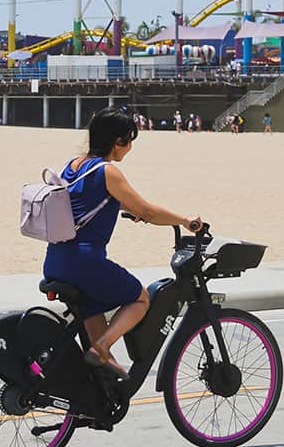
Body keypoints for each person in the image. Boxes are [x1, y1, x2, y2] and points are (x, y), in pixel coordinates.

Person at [42, 109, 200, 375]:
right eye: (129, 141)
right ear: (118, 142)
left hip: (56, 259)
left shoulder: (73, 165)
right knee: (140, 298)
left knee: (93, 305)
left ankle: (102, 374)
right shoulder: (107, 171)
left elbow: (84, 203)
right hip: (85, 262)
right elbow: (148, 211)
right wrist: (185, 220)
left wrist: (123, 210)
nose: (130, 148)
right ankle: (102, 345)